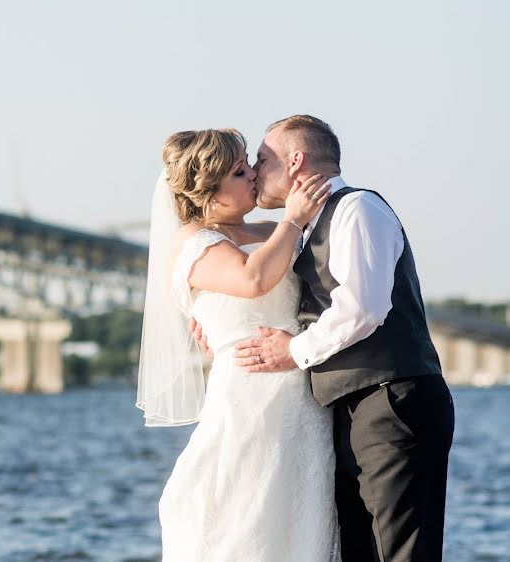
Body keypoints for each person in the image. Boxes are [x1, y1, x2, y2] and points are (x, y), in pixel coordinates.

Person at [197, 115, 455, 561]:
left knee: (400, 551)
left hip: (390, 398)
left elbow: (363, 308)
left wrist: (292, 352)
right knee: (359, 549)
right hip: (348, 407)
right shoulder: (303, 231)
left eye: (261, 159)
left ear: (295, 160)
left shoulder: (357, 210)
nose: (255, 171)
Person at [136, 127, 340, 561]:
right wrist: (293, 220)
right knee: (249, 515)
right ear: (208, 191)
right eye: (237, 170)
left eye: (249, 163)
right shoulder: (195, 243)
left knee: (306, 511)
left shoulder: (270, 229)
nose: (251, 174)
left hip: (304, 392)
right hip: (250, 396)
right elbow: (252, 279)